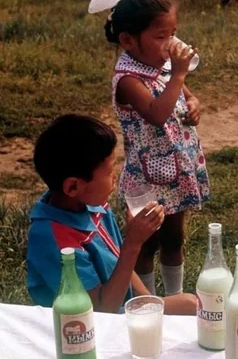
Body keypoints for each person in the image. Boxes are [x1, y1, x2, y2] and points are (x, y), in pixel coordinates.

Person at [26, 114, 196, 314]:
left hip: (120, 310)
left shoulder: (93, 206)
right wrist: (133, 244)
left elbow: (118, 263)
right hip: (84, 328)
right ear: (73, 186)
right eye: (108, 172)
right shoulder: (54, 240)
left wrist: (150, 303)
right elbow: (100, 312)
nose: (115, 177)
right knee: (192, 308)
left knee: (193, 305)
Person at [105, 0, 210, 298]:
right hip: (148, 177)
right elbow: (156, 114)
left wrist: (193, 104)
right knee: (147, 241)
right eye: (161, 37)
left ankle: (174, 296)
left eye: (173, 34)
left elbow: (186, 96)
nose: (170, 44)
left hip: (177, 169)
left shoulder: (161, 65)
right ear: (128, 40)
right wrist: (178, 75)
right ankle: (150, 301)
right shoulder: (127, 79)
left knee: (174, 236)